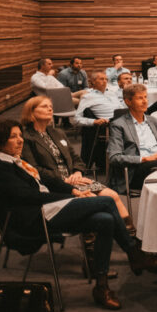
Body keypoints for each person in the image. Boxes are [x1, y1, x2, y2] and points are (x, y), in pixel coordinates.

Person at [0, 119, 157, 310]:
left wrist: (73, 191)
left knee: (105, 220)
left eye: (19, 135)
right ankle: (133, 253)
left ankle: (102, 286)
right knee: (106, 201)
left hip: (47, 208)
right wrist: (68, 197)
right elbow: (29, 196)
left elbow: (47, 180)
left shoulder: (15, 161)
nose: (20, 140)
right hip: (32, 219)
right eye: (13, 137)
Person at [20, 95, 132, 224]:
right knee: (94, 199)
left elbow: (76, 158)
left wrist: (78, 172)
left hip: (75, 179)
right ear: (31, 111)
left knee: (113, 195)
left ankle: (129, 231)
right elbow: (34, 169)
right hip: (55, 184)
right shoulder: (26, 137)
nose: (50, 109)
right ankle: (92, 234)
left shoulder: (57, 133)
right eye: (44, 106)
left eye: (50, 107)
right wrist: (64, 179)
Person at [106, 83, 157, 194]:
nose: (145, 101)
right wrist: (145, 158)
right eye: (139, 98)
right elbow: (114, 158)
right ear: (128, 102)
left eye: (146, 97)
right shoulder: (118, 125)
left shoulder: (153, 121)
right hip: (136, 170)